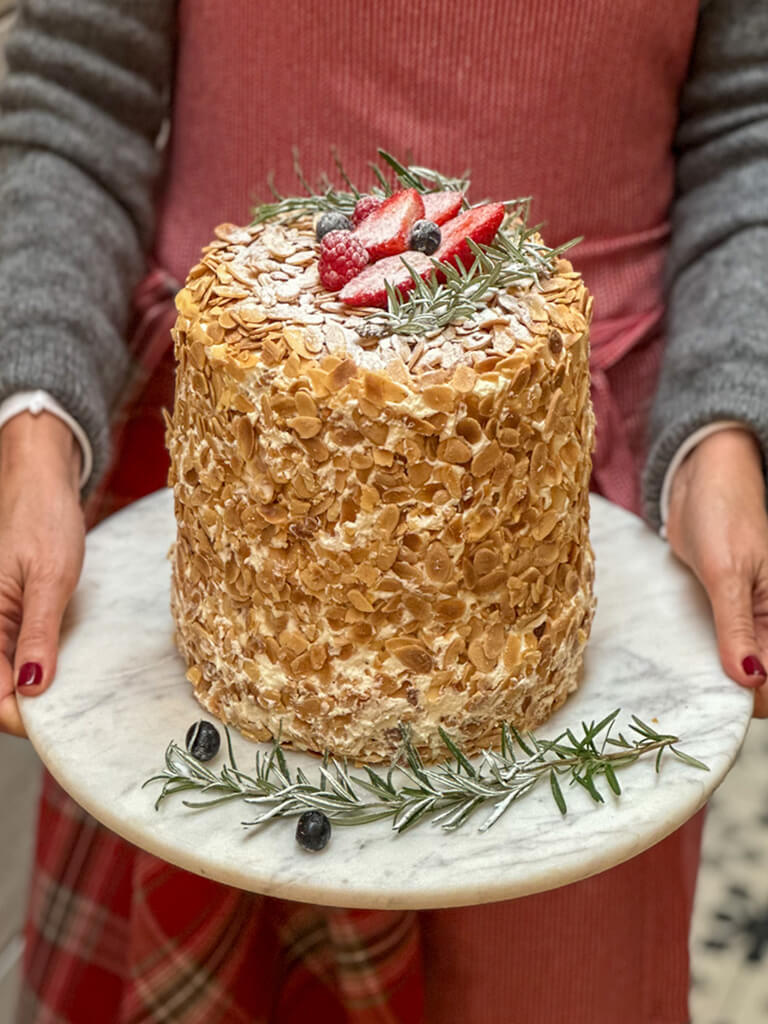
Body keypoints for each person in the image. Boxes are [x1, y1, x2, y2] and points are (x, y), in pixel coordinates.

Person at [0, 1, 766, 1021]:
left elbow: (746, 130)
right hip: (226, 507)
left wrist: (721, 432)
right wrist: (33, 430)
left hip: (580, 517)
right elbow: (74, 93)